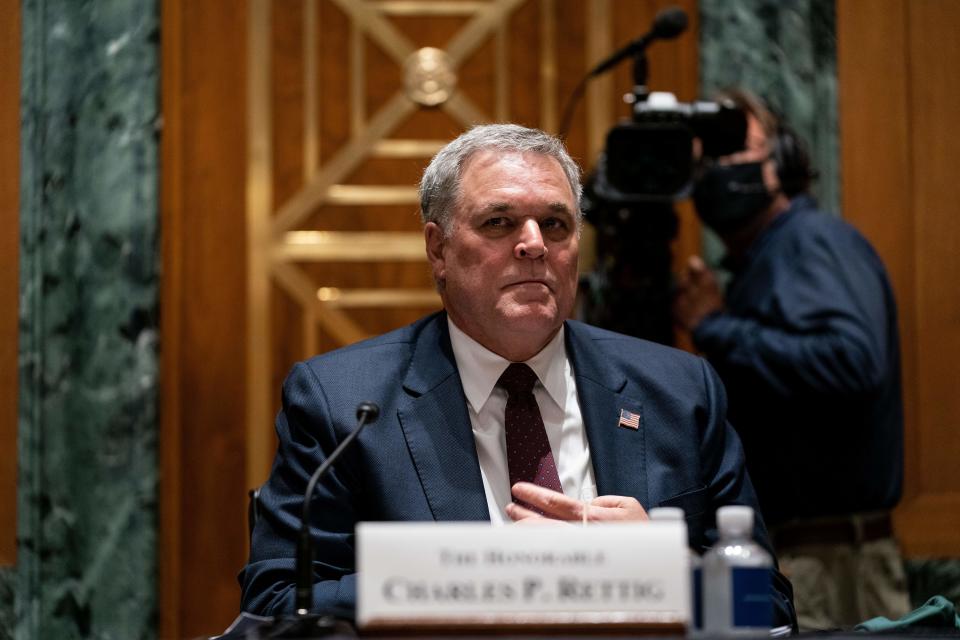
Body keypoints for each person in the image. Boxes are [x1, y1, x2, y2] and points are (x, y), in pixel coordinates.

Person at [240, 124, 796, 629]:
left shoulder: (679, 390)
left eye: (555, 223)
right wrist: (488, 576)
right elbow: (277, 605)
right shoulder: (343, 401)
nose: (534, 244)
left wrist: (662, 570)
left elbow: (768, 609)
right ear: (438, 248)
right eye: (499, 222)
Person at [673, 91, 910, 630]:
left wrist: (716, 327)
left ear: (781, 160)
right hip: (786, 553)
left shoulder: (810, 242)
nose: (716, 169)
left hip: (831, 563)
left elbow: (851, 363)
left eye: (734, 147)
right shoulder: (764, 260)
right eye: (703, 158)